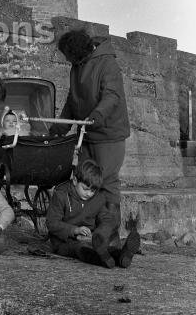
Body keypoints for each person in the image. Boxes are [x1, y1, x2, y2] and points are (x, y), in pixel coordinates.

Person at [52, 29, 130, 229]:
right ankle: (88, 230)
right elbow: (73, 98)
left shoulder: (107, 63)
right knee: (85, 181)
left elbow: (112, 95)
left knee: (106, 181)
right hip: (86, 132)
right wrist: (62, 126)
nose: (67, 60)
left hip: (108, 134)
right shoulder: (77, 65)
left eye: (68, 56)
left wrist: (96, 116)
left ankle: (110, 234)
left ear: (78, 52)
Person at [46, 159, 140, 269]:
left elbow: (107, 219)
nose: (89, 194)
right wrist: (75, 230)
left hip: (90, 239)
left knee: (103, 248)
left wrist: (99, 235)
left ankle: (122, 256)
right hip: (63, 242)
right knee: (80, 249)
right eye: (85, 189)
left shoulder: (98, 198)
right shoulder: (61, 195)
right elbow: (51, 223)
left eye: (93, 191)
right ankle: (102, 260)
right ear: (75, 181)